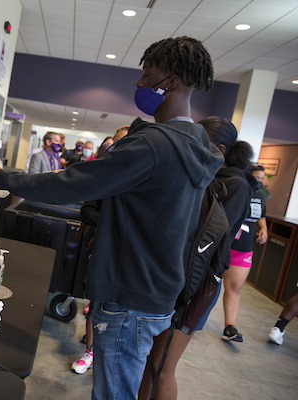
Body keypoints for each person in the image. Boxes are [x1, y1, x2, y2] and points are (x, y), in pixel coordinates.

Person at [0, 36, 222, 399]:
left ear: (171, 82)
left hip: (129, 294)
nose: (138, 84)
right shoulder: (198, 143)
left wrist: (3, 178)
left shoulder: (154, 145)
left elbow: (71, 183)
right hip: (158, 291)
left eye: (147, 75)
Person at [138, 116, 257, 400]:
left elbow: (205, 238)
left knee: (162, 366)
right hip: (179, 277)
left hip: (196, 282)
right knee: (150, 363)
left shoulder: (236, 185)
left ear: (220, 148)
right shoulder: (211, 176)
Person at [72, 128, 130, 375]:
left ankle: (109, 355)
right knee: (96, 303)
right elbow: (87, 211)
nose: (117, 146)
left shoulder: (142, 177)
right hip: (103, 250)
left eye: (123, 142)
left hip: (131, 258)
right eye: (114, 142)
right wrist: (111, 225)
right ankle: (90, 351)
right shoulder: (103, 174)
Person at [221, 163, 268, 342]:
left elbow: (261, 216)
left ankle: (229, 327)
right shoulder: (237, 188)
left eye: (262, 179)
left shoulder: (260, 196)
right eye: (257, 178)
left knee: (235, 288)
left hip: (244, 247)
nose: (259, 182)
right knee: (211, 285)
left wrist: (264, 229)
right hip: (226, 244)